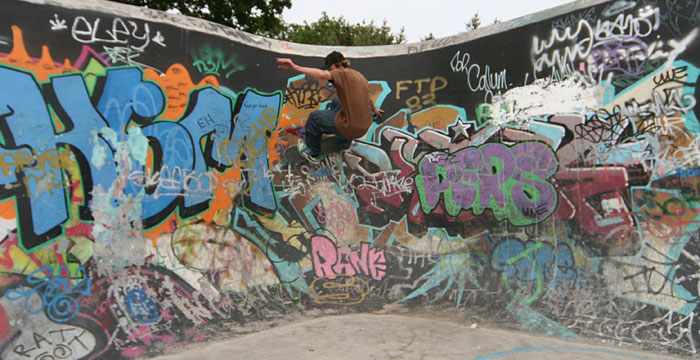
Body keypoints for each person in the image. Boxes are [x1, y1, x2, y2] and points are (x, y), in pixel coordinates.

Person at [276, 51, 384, 164]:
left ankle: (313, 153)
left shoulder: (341, 73)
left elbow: (322, 75)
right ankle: (344, 142)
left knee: (314, 117)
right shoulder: (359, 75)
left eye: (330, 68)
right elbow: (367, 97)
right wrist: (374, 109)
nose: (330, 72)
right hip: (364, 125)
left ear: (339, 65)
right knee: (336, 102)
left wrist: (295, 67)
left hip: (351, 127)